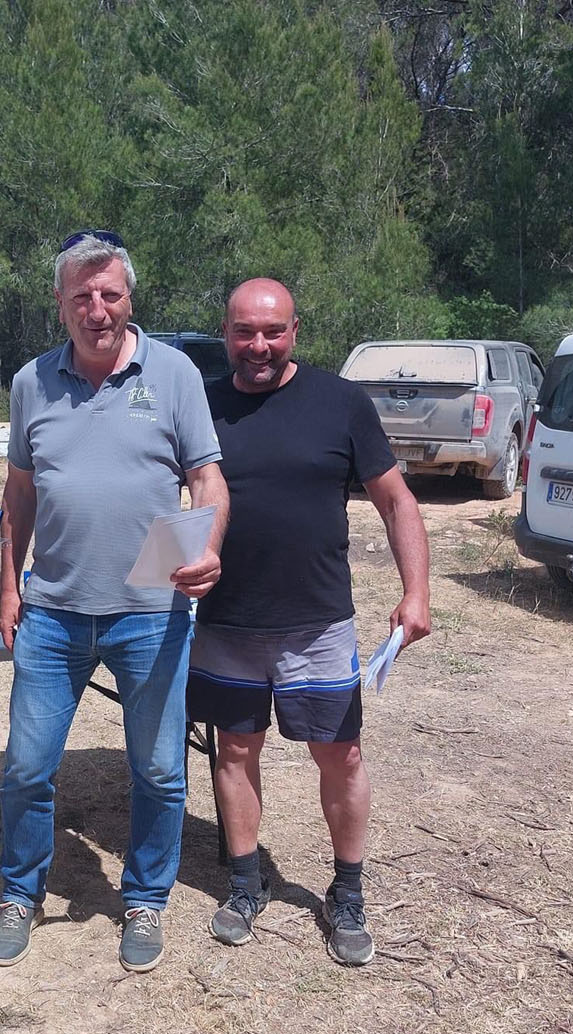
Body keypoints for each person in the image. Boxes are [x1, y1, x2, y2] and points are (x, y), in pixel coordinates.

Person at [0, 230, 230, 974]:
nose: (98, 310)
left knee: (157, 770)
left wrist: (208, 547)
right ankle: (20, 894)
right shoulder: (31, 382)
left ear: (129, 298)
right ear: (60, 304)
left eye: (110, 295)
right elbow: (19, 492)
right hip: (53, 612)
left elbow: (207, 480)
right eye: (82, 297)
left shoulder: (176, 374)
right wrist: (8, 584)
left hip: (152, 610)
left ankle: (146, 899)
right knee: (27, 768)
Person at [187, 278, 430, 966]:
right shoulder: (201, 405)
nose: (259, 345)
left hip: (317, 623)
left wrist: (417, 592)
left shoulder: (340, 402)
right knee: (234, 752)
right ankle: (245, 883)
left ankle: (347, 892)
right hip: (226, 621)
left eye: (273, 331)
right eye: (244, 332)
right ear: (226, 333)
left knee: (341, 755)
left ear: (295, 331)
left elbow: (397, 501)